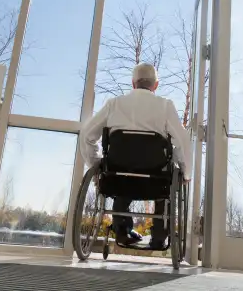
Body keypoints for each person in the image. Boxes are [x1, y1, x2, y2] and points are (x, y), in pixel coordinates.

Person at [79, 62, 192, 249]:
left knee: (122, 169)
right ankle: (158, 236)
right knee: (166, 174)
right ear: (155, 85)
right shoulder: (165, 106)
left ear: (133, 83)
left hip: (118, 178)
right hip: (155, 181)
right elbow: (183, 141)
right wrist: (186, 173)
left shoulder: (114, 104)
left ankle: (122, 232)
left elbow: (86, 135)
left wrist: (95, 162)